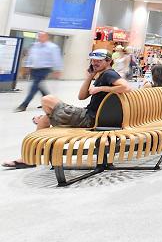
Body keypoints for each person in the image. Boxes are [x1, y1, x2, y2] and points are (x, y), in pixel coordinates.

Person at [2, 48, 131, 168]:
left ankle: (33, 156)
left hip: (90, 118)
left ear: (108, 61)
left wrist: (100, 88)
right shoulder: (102, 75)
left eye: (99, 61)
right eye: (93, 60)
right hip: (91, 116)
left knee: (47, 100)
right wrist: (90, 77)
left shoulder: (109, 74)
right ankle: (30, 157)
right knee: (45, 119)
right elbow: (82, 96)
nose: (94, 63)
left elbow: (126, 87)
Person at [14, 32, 63, 112]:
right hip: (34, 69)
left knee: (34, 86)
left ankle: (24, 105)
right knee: (39, 86)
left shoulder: (52, 47)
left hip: (44, 69)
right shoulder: (35, 45)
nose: (40, 38)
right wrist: (27, 66)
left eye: (42, 36)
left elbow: (56, 59)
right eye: (39, 36)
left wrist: (57, 70)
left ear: (47, 37)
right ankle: (50, 102)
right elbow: (31, 56)